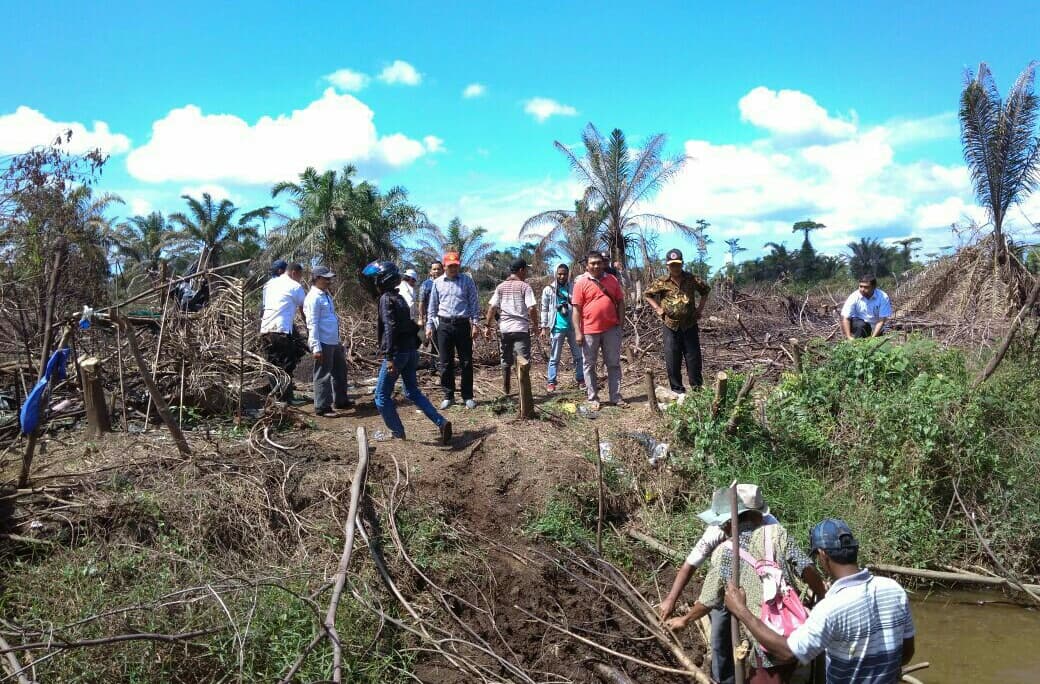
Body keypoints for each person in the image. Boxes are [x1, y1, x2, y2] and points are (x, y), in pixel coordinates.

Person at [666, 486, 827, 684]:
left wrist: (685, 619)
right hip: (798, 629)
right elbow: (807, 569)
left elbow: (708, 600)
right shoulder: (777, 533)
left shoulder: (725, 553)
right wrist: (822, 596)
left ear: (727, 523)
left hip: (768, 645)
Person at [725, 519, 915, 684]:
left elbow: (786, 652)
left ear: (823, 555)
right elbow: (906, 653)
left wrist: (742, 611)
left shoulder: (831, 608)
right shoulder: (894, 589)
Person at [659, 484, 782, 684]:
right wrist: (670, 600)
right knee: (719, 637)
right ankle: (724, 680)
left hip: (761, 586)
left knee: (764, 638)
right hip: (726, 585)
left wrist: (686, 619)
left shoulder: (771, 527)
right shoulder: (718, 532)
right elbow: (690, 566)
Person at [365, 261, 453, 445]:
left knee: (381, 397)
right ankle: (441, 422)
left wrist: (389, 357)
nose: (374, 282)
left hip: (397, 354)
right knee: (412, 391)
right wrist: (422, 339)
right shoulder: (400, 299)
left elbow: (390, 328)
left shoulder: (386, 299)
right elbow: (412, 324)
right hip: (410, 351)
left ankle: (397, 433)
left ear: (382, 280)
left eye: (376, 279)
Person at [645, 249, 711, 393]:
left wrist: (699, 310)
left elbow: (705, 290)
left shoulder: (691, 278)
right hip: (670, 326)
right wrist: (657, 308)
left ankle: (697, 389)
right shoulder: (662, 281)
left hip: (690, 325)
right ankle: (677, 390)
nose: (675, 267)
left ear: (682, 264)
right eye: (672, 265)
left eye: (677, 264)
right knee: (672, 359)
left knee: (693, 358)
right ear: (667, 265)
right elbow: (648, 294)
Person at [426, 252, 480, 410]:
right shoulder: (437, 283)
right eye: (450, 266)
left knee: (466, 362)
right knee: (445, 362)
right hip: (444, 326)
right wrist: (429, 326)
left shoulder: (467, 281)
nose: (453, 268)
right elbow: (432, 307)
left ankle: (467, 396)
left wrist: (475, 324)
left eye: (456, 265)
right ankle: (448, 396)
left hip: (462, 325)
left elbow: (474, 304)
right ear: (444, 267)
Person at [573, 251, 626, 410]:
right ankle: (593, 398)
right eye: (592, 263)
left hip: (611, 329)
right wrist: (577, 331)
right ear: (587, 265)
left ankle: (615, 397)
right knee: (589, 365)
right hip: (589, 331)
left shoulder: (612, 280)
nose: (596, 266)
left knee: (613, 364)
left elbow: (620, 302)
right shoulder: (580, 283)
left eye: (598, 262)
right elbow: (576, 310)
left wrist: (620, 325)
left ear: (603, 263)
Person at [303, 266, 353, 417]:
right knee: (323, 374)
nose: (329, 281)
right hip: (323, 341)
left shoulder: (325, 295)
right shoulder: (313, 298)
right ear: (317, 278)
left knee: (340, 371)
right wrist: (316, 347)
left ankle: (341, 400)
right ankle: (322, 407)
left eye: (329, 278)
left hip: (333, 340)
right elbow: (312, 323)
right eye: (326, 278)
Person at [486, 259, 538, 395]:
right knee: (523, 362)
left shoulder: (501, 287)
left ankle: (506, 391)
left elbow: (492, 308)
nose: (527, 272)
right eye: (526, 269)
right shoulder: (524, 287)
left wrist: (487, 326)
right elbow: (532, 308)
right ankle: (524, 394)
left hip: (505, 330)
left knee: (505, 361)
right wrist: (536, 325)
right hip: (520, 329)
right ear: (521, 270)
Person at [260, 260, 307, 402]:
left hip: (266, 330)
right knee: (286, 366)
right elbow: (305, 309)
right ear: (294, 273)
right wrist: (309, 327)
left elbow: (264, 307)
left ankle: (280, 398)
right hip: (281, 331)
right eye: (299, 276)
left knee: (273, 365)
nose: (300, 279)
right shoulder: (294, 286)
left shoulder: (268, 285)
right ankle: (285, 400)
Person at [540, 263, 584, 393]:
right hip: (557, 327)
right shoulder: (549, 289)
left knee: (578, 356)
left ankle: (581, 379)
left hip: (572, 327)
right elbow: (544, 308)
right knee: (554, 357)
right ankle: (551, 382)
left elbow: (578, 305)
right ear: (556, 274)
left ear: (568, 274)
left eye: (564, 273)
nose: (562, 276)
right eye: (559, 273)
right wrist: (543, 327)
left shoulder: (574, 288)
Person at [841, 275, 892, 339]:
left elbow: (881, 320)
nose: (862, 289)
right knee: (861, 325)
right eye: (860, 286)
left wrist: (872, 338)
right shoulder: (854, 297)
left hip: (876, 328)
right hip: (858, 326)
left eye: (866, 287)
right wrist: (849, 337)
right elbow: (846, 317)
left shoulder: (883, 297)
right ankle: (858, 344)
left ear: (874, 287)